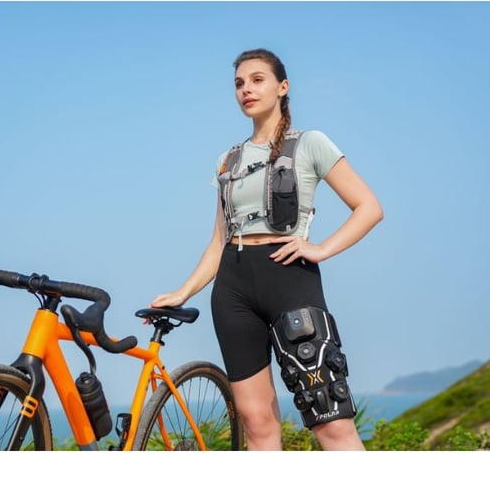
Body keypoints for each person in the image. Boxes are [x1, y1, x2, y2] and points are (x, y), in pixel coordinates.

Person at [150, 48, 383, 450]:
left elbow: (369, 207)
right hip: (233, 291)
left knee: (329, 419)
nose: (247, 90)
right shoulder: (228, 160)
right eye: (239, 83)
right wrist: (184, 291)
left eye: (258, 80)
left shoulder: (310, 143)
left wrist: (320, 248)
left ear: (282, 87)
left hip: (290, 280)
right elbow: (219, 240)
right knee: (257, 424)